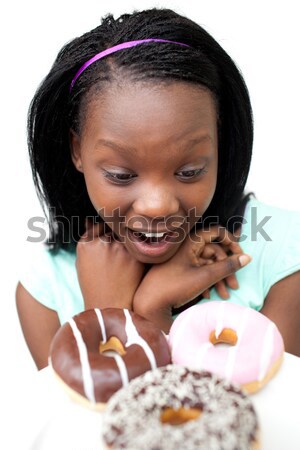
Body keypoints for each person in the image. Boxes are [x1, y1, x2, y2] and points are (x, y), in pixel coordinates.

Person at [16, 8, 300, 369]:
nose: (157, 205)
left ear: (218, 144)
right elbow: (91, 426)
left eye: (189, 171)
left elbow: (267, 422)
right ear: (77, 151)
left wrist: (153, 310)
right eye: (121, 174)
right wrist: (110, 314)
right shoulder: (43, 292)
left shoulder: (284, 257)